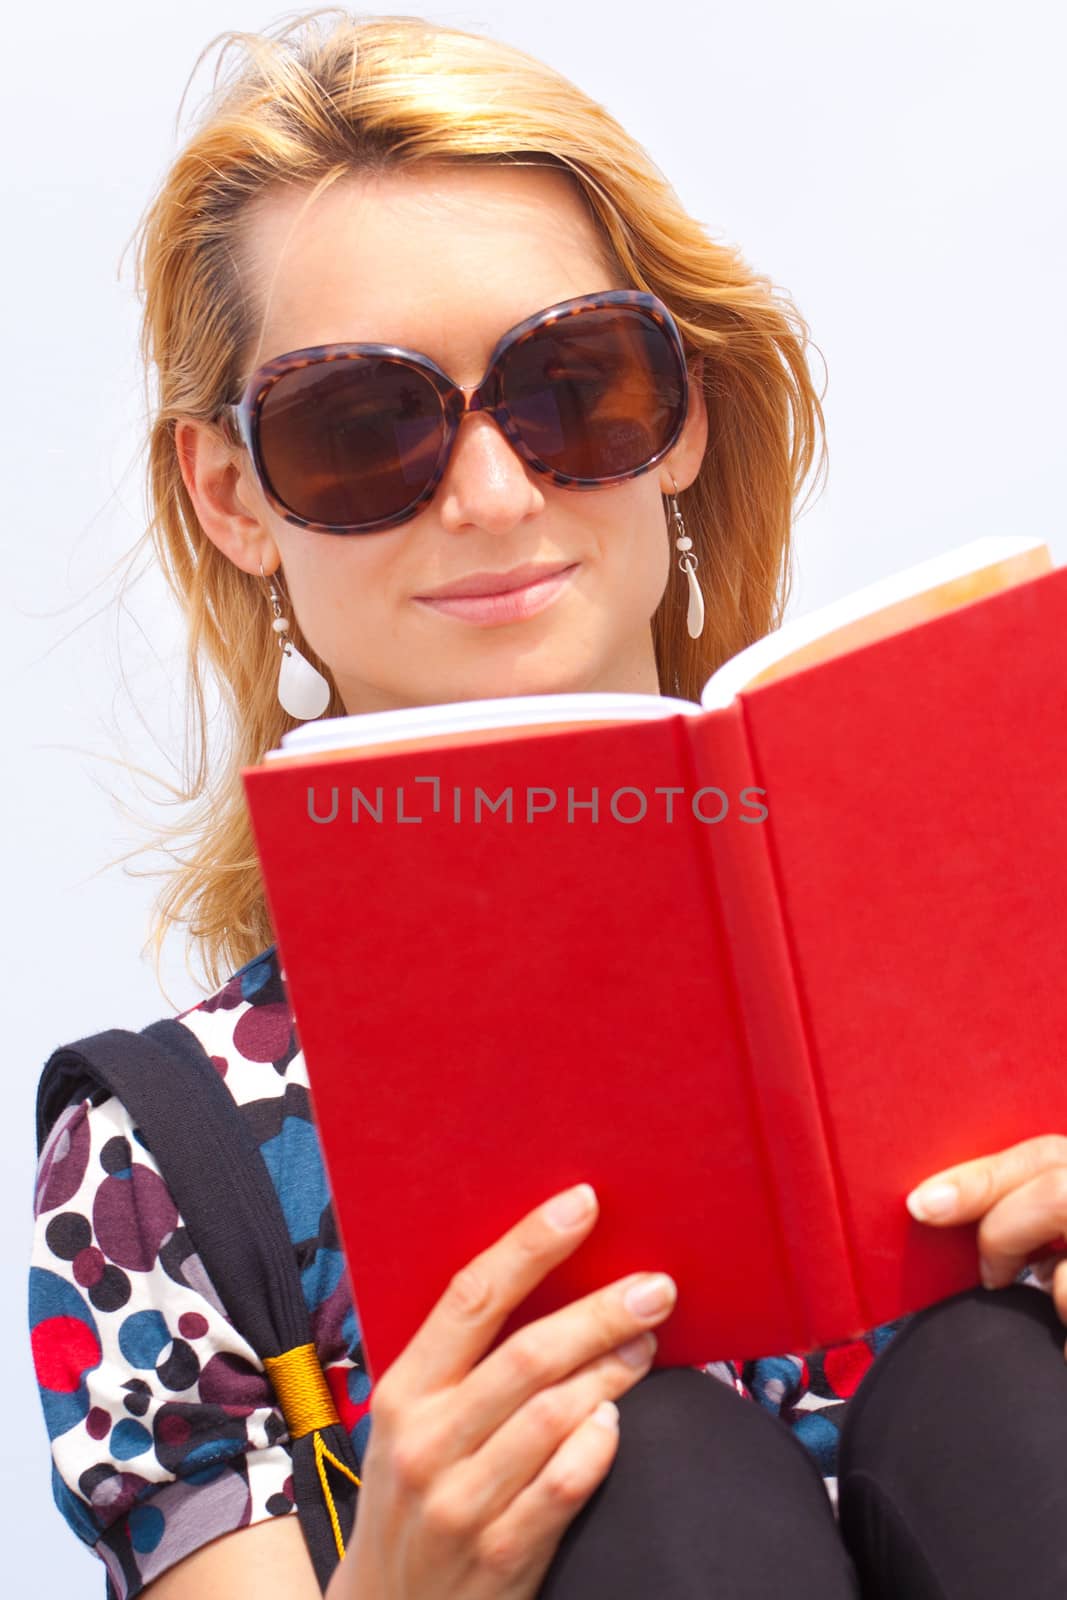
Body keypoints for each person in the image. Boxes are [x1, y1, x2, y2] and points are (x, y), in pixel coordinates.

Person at [28, 11, 1067, 1599]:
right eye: (362, 425)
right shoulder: (155, 1168)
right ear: (234, 496)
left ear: (683, 414)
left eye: (573, 385)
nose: (496, 495)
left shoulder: (1020, 932)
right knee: (647, 1469)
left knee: (991, 1394)